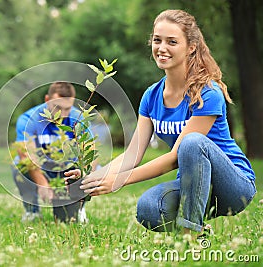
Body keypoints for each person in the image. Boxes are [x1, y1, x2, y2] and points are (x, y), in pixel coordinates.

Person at [66, 9, 256, 233]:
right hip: (191, 187)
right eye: (157, 40)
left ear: (191, 47)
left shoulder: (207, 93)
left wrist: (119, 181)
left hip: (233, 187)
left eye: (172, 42)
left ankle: (190, 234)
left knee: (192, 143)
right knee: (148, 209)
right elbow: (132, 154)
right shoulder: (151, 96)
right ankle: (199, 227)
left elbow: (174, 158)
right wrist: (94, 177)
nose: (162, 48)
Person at [12, 82, 90, 222]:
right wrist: (42, 183)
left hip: (67, 168)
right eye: (58, 107)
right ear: (47, 100)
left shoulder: (78, 119)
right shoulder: (28, 119)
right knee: (19, 164)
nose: (63, 114)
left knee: (89, 169)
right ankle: (32, 211)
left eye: (67, 108)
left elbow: (89, 151)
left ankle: (79, 209)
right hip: (41, 167)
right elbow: (25, 154)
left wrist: (84, 174)